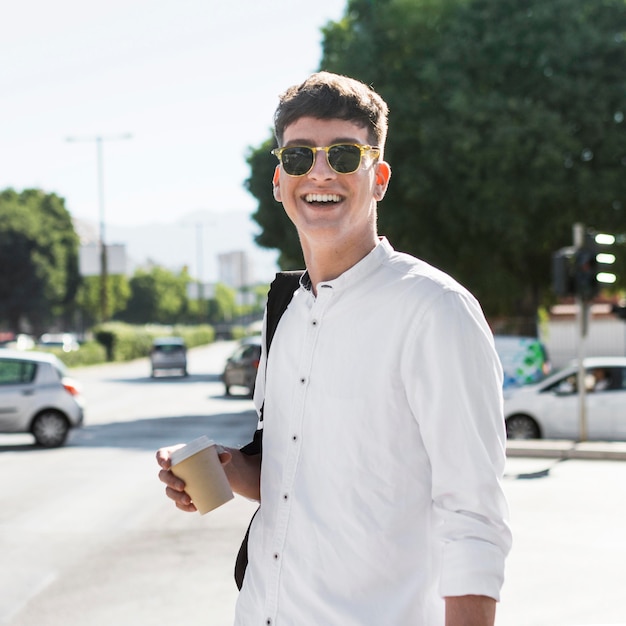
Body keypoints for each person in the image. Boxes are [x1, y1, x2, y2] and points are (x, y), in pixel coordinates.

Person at [157, 71, 512, 625]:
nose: (320, 171)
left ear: (380, 178)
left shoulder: (435, 310)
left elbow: (474, 518)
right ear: (279, 180)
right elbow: (289, 471)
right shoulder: (284, 310)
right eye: (300, 156)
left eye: (345, 155)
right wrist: (225, 470)